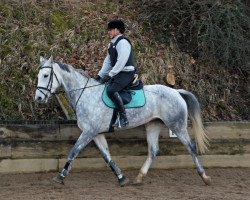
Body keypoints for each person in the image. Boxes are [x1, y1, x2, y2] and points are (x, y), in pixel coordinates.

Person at [95, 19, 136, 128]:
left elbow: (121, 61)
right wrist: (100, 75)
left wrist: (110, 74)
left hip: (126, 73)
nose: (108, 31)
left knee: (112, 90)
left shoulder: (123, 42)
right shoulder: (112, 44)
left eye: (110, 29)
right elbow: (108, 62)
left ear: (117, 30)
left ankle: (123, 117)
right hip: (118, 73)